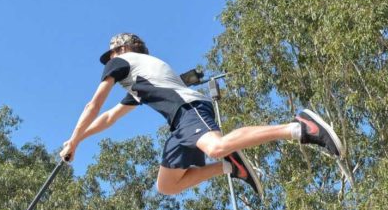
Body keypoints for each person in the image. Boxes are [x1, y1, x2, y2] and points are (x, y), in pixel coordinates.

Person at [59, 33, 343, 196]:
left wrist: (73, 141)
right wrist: (78, 140)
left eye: (110, 55)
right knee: (167, 186)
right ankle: (231, 167)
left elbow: (93, 105)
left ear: (121, 50)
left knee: (216, 146)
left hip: (189, 110)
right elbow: (109, 117)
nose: (108, 61)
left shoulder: (122, 62)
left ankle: (299, 127)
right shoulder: (140, 77)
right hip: (178, 126)